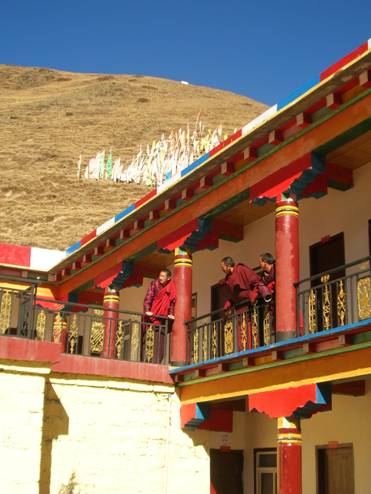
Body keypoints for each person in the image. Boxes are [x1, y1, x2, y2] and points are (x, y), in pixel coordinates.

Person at [142, 269, 176, 363]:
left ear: (168, 278)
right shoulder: (154, 284)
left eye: (163, 276)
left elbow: (172, 301)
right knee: (149, 337)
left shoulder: (171, 286)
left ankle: (157, 360)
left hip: (163, 318)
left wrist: (171, 314)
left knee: (160, 339)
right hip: (153, 313)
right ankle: (147, 359)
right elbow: (148, 298)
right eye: (160, 276)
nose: (160, 278)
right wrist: (147, 310)